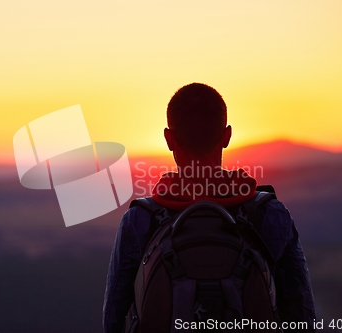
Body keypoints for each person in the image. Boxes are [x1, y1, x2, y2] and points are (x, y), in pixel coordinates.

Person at [103, 83, 316, 333]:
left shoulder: (141, 221)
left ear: (168, 139)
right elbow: (302, 316)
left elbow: (114, 321)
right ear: (227, 136)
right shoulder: (268, 214)